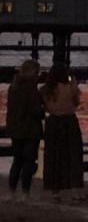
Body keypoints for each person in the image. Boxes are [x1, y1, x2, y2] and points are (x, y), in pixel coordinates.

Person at [40, 63, 84, 201]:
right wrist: (73, 80)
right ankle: (75, 191)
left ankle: (55, 192)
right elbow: (76, 103)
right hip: (69, 121)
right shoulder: (70, 88)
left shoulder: (45, 90)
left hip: (52, 122)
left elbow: (44, 108)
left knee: (53, 157)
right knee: (73, 156)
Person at [5, 60, 44, 198]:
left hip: (16, 129)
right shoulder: (31, 88)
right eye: (37, 72)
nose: (38, 75)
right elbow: (35, 110)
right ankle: (25, 191)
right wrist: (42, 113)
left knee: (17, 160)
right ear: (33, 72)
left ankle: (11, 190)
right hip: (30, 130)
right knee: (28, 162)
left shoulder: (13, 87)